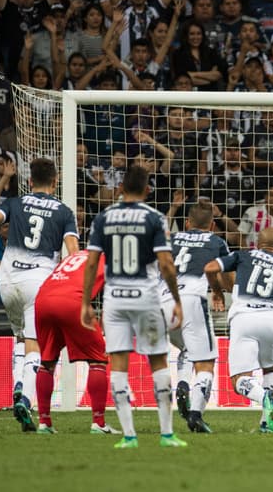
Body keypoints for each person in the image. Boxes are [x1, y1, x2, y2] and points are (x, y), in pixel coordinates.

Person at [0, 156, 79, 431]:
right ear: (56, 181)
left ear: (29, 182)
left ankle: (18, 387)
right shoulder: (64, 211)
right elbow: (74, 252)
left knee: (18, 337)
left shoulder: (14, 203)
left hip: (7, 281)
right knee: (35, 346)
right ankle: (26, 400)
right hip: (38, 283)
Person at [80, 164, 187, 449]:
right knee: (158, 362)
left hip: (114, 299)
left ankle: (129, 436)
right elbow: (165, 263)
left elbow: (91, 262)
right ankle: (166, 434)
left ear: (120, 188)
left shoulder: (103, 217)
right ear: (148, 190)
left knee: (117, 364)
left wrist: (86, 302)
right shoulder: (154, 218)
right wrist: (176, 300)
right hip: (146, 298)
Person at [204, 227, 273, 434]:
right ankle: (267, 424)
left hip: (244, 318)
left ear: (257, 243)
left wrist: (217, 291)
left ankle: (264, 400)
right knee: (270, 370)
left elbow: (210, 268)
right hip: (272, 320)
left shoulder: (244, 255)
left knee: (239, 380)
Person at [29, 249, 117, 435]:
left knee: (47, 361)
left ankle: (44, 423)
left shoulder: (74, 255)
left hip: (42, 300)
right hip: (71, 301)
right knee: (98, 359)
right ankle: (99, 423)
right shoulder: (109, 257)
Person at [162, 202, 230, 435]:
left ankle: (182, 382)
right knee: (207, 360)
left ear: (187, 223)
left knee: (188, 349)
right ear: (212, 225)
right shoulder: (216, 242)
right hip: (192, 298)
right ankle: (196, 415)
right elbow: (225, 276)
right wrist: (220, 291)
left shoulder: (172, 239)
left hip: (163, 299)